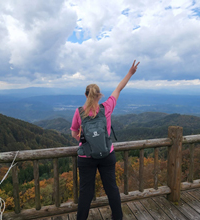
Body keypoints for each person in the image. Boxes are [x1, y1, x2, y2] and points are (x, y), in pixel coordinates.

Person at [70, 60, 140, 220]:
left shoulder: (79, 112)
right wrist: (130, 72)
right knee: (112, 189)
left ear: (86, 95)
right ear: (99, 95)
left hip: (86, 158)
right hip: (107, 155)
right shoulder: (106, 107)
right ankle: (118, 217)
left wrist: (85, 142)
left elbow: (74, 133)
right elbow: (119, 88)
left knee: (85, 192)